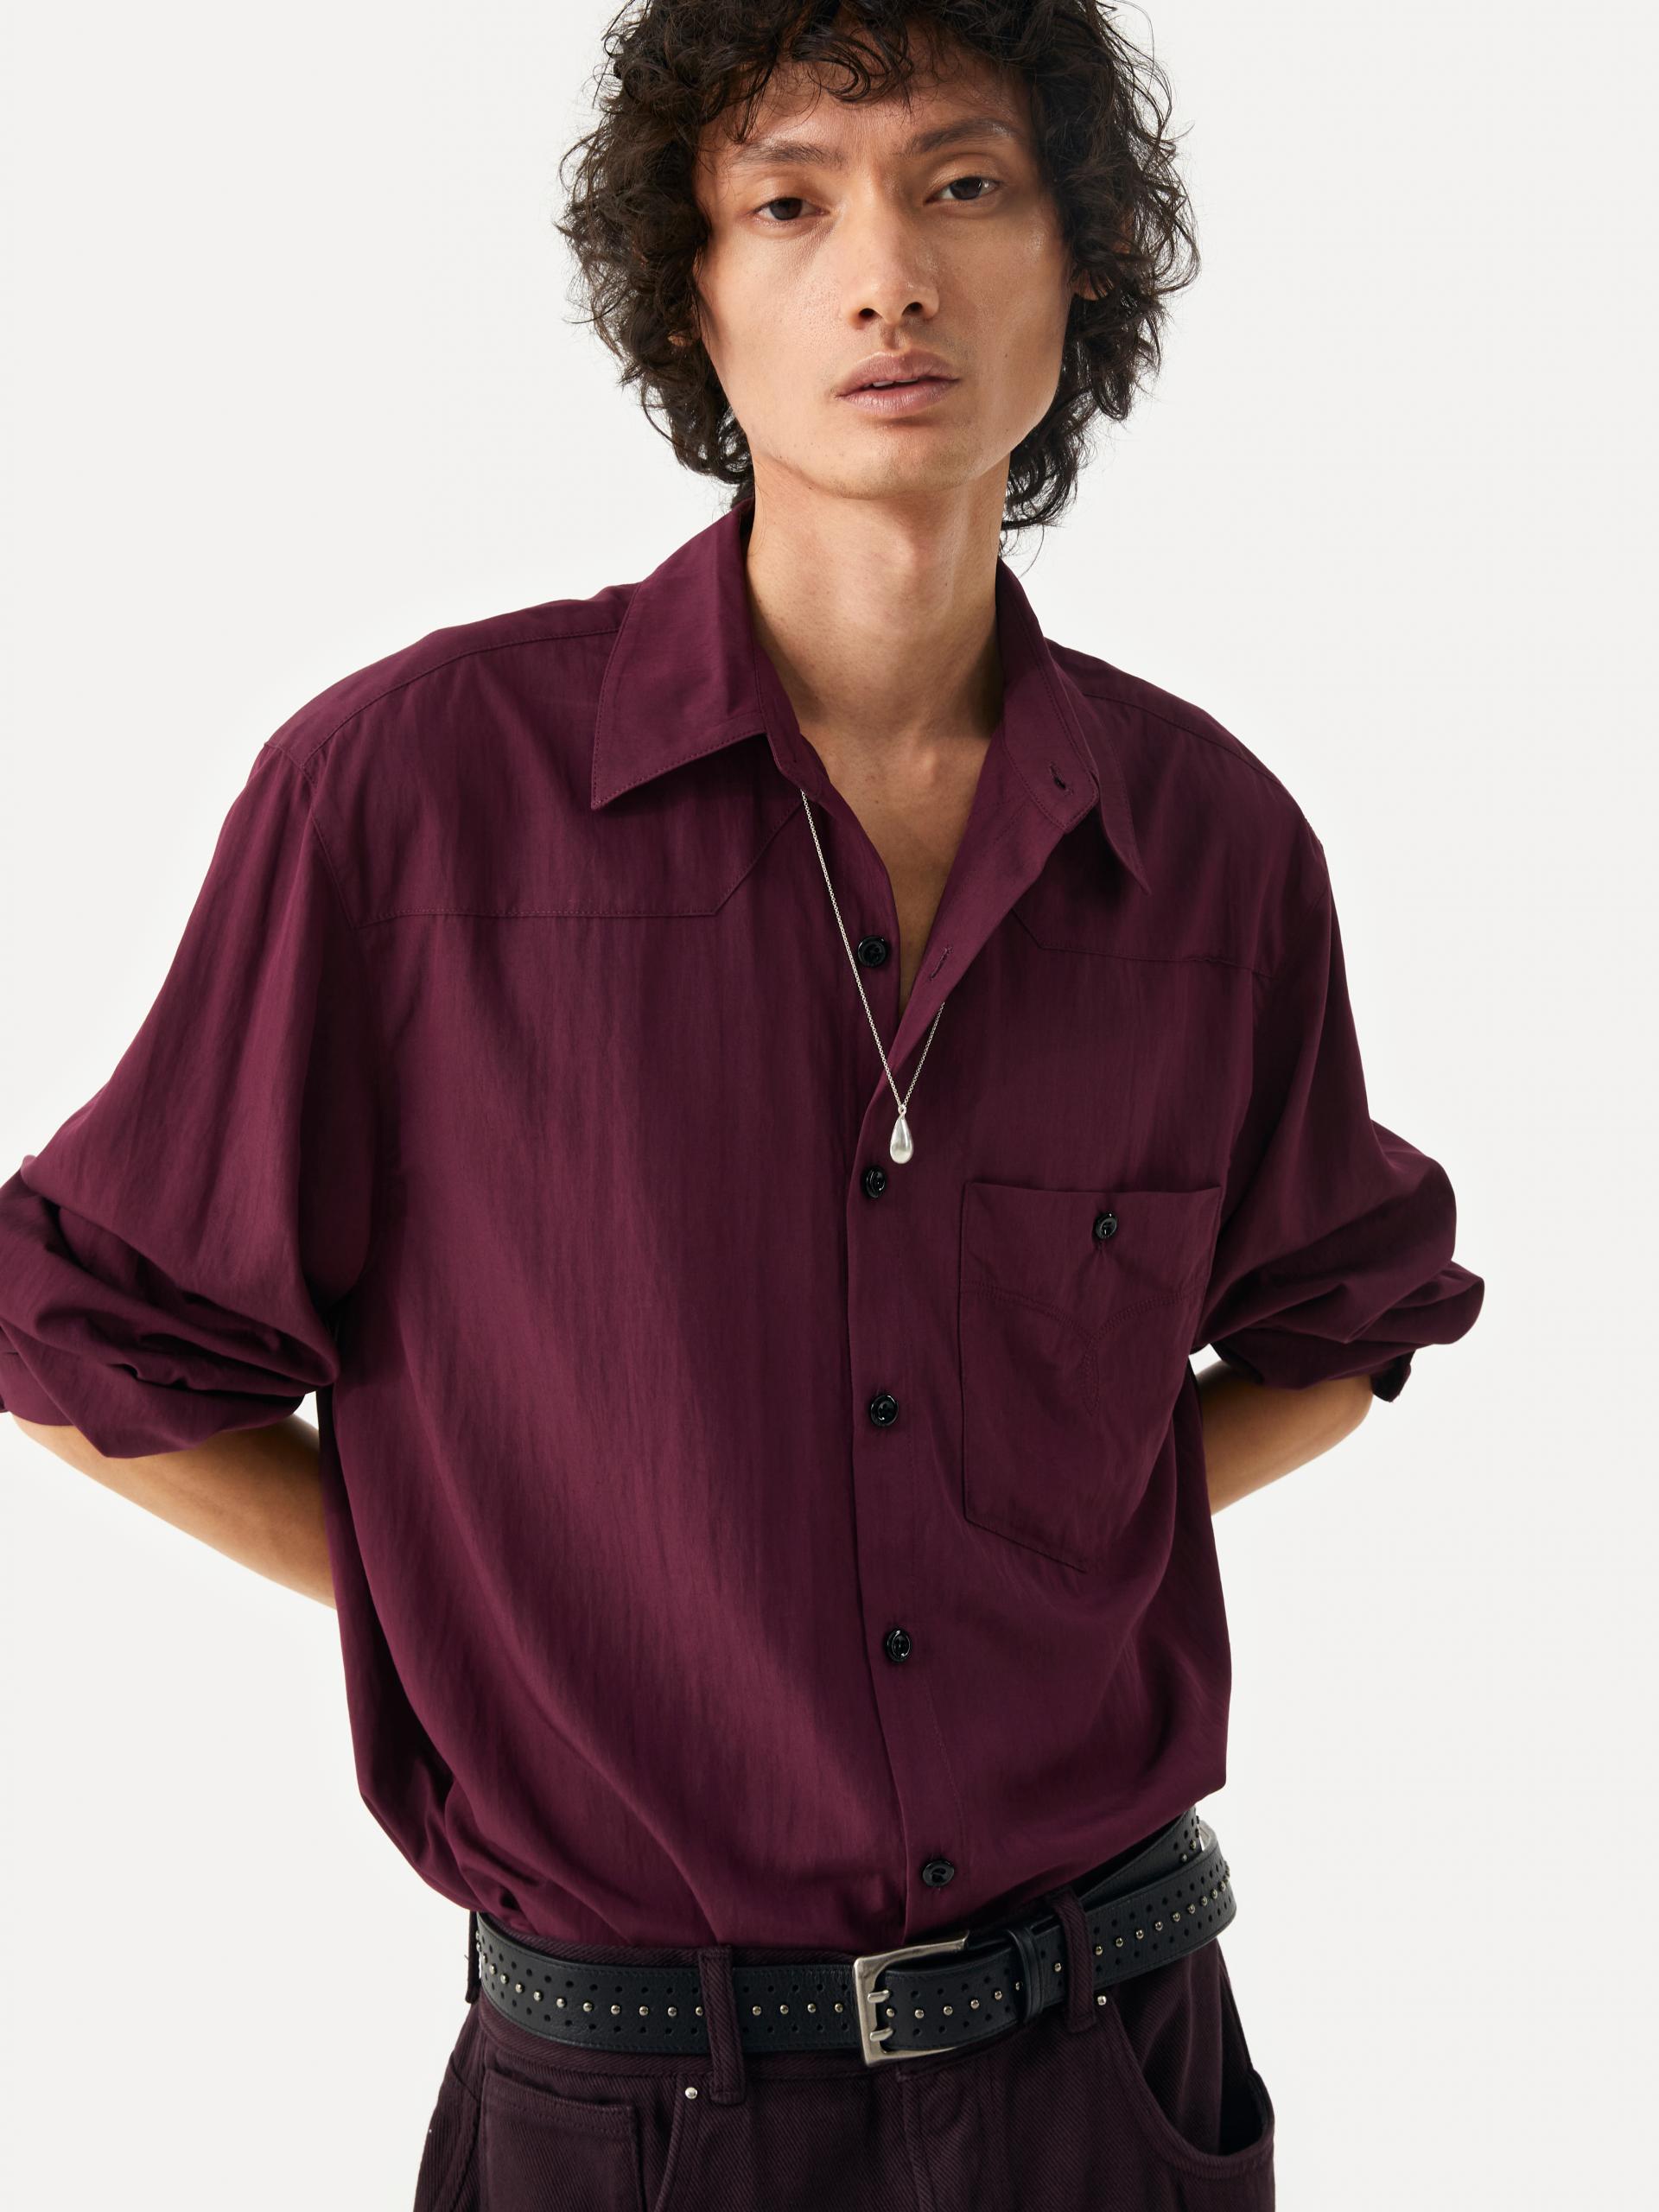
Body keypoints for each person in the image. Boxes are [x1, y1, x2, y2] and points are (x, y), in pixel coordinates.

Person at [0, 4, 1484, 2206]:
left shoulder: (1210, 847)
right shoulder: (410, 805)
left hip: (1113, 2072)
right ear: (690, 300)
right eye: (790, 204)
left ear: (1080, 262)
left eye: (964, 186)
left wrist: (1035, 1547)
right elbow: (70, 1329)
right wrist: (498, 1609)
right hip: (636, 2112)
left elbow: (1335, 1326)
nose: (888, 275)